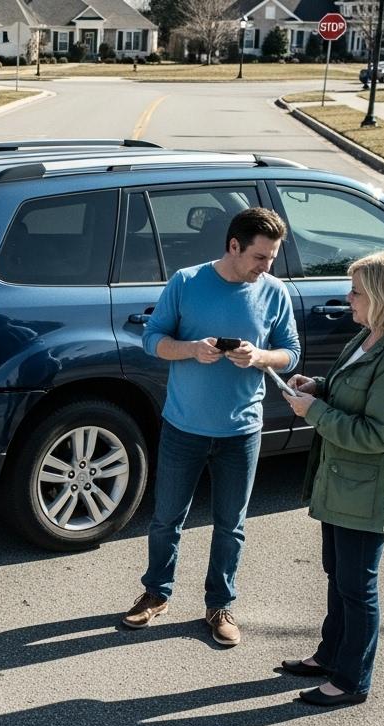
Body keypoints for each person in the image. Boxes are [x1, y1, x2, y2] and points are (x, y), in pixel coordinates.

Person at [122, 208, 301, 646]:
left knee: (230, 524)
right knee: (167, 519)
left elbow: (291, 353)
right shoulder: (186, 282)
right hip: (184, 426)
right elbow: (152, 340)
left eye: (272, 257)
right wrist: (190, 350)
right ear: (233, 246)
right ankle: (155, 594)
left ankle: (219, 605)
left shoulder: (274, 292)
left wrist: (259, 356)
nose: (266, 266)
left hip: (242, 429)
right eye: (260, 256)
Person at [279, 251, 384, 706]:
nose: (347, 298)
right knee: (338, 575)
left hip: (370, 488)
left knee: (358, 586)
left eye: (357, 291)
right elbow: (347, 392)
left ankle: (352, 681)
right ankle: (330, 655)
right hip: (343, 480)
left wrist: (315, 412)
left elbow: (377, 435)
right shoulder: (369, 337)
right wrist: (318, 388)